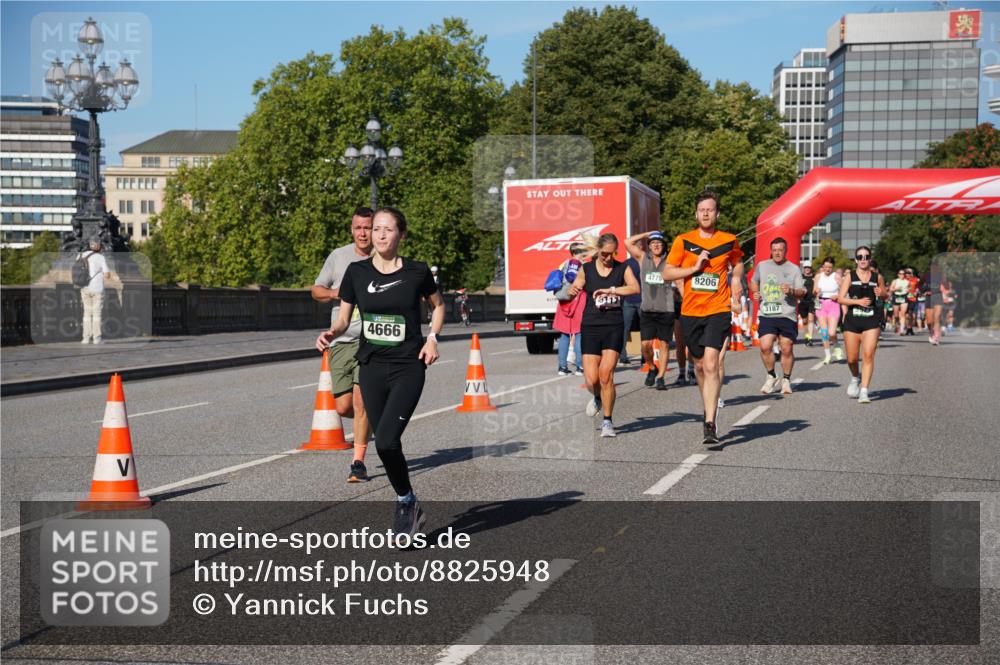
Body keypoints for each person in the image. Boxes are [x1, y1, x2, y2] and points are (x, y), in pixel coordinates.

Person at [315, 207, 444, 539]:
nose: (381, 235)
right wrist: (331, 332)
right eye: (376, 230)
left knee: (387, 441)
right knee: (383, 439)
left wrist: (432, 338)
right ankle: (409, 500)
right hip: (371, 365)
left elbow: (438, 305)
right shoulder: (357, 273)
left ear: (401, 234)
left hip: (407, 366)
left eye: (388, 229)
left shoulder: (417, 272)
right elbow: (344, 319)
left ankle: (404, 501)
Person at [662, 191, 744, 445]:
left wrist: (737, 278)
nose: (706, 213)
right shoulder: (683, 241)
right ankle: (707, 407)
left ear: (717, 213)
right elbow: (667, 273)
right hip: (691, 311)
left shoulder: (729, 240)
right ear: (696, 214)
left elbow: (738, 262)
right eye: (702, 210)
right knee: (698, 366)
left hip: (718, 308)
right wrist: (695, 268)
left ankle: (710, 423)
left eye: (710, 209)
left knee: (711, 364)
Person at [312, 207, 374, 483]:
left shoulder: (384, 257)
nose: (363, 233)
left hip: (372, 341)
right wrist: (337, 293)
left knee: (362, 401)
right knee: (343, 407)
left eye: (368, 227)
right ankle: (373, 418)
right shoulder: (339, 257)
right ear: (352, 230)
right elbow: (316, 290)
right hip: (342, 340)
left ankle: (357, 462)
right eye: (358, 228)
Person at [567, 233, 640, 438]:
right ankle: (598, 397)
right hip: (591, 325)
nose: (608, 258)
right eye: (604, 254)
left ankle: (608, 421)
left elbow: (634, 287)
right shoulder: (587, 269)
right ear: (598, 251)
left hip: (613, 326)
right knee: (591, 379)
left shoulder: (622, 268)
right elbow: (577, 286)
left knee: (606, 375)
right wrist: (573, 289)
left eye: (612, 254)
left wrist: (613, 289)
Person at [750, 237, 806, 395]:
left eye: (780, 250)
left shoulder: (794, 269)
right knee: (765, 345)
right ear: (771, 251)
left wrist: (792, 291)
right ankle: (771, 375)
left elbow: (801, 291)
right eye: (774, 250)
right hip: (767, 312)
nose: (777, 253)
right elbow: (754, 281)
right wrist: (755, 292)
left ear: (785, 251)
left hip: (787, 314)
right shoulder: (762, 265)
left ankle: (786, 379)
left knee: (786, 348)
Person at [625, 230, 677, 390]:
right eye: (653, 243)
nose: (656, 245)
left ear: (664, 246)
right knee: (645, 346)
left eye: (659, 243)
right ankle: (652, 368)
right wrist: (647, 233)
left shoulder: (670, 261)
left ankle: (661, 377)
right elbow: (627, 242)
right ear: (648, 246)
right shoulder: (642, 259)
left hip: (666, 309)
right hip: (647, 309)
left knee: (664, 345)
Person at [839, 246, 884, 404]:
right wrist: (857, 301)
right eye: (860, 256)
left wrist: (881, 294)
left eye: (866, 256)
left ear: (870, 258)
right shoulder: (849, 277)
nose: (863, 259)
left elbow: (885, 295)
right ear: (856, 259)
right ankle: (854, 377)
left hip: (871, 320)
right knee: (852, 359)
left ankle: (864, 391)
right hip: (852, 320)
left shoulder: (877, 277)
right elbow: (841, 298)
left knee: (868, 355)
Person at [554, 243, 589, 376]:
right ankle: (580, 367)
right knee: (579, 334)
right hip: (577, 300)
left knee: (564, 335)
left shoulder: (563, 264)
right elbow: (573, 279)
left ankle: (562, 367)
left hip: (564, 301)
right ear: (579, 252)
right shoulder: (577, 264)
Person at [78, 238, 112, 344]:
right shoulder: (100, 257)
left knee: (86, 313)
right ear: (98, 247)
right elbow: (107, 275)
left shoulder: (80, 256)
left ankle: (85, 338)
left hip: (84, 287)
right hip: (97, 289)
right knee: (96, 314)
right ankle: (97, 338)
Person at [813, 258, 842, 364]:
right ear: (822, 267)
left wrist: (837, 295)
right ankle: (827, 356)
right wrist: (816, 291)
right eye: (825, 267)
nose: (827, 269)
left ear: (832, 267)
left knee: (832, 332)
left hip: (833, 304)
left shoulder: (837, 276)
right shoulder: (818, 276)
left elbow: (844, 290)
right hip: (821, 305)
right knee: (824, 333)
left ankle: (836, 345)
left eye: (830, 267)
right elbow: (814, 290)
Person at [618, 255, 642, 365]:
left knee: (624, 329)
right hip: (641, 299)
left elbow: (621, 281)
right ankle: (645, 357)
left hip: (629, 299)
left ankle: (623, 356)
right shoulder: (646, 261)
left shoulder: (625, 263)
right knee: (645, 329)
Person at [798, 264, 816, 345]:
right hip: (802, 301)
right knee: (805, 321)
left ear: (811, 268)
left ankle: (810, 338)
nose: (807, 269)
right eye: (806, 268)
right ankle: (807, 336)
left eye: (809, 267)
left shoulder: (815, 277)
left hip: (812, 301)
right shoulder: (800, 277)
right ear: (803, 269)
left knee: (811, 319)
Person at [889, 269, 910, 335]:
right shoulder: (895, 281)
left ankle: (902, 329)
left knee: (903, 314)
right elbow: (890, 289)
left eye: (903, 274)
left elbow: (909, 289)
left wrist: (908, 291)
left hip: (904, 297)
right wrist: (896, 289)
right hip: (896, 296)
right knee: (896, 315)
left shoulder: (907, 281)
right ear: (898, 274)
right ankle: (897, 324)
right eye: (900, 274)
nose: (902, 275)